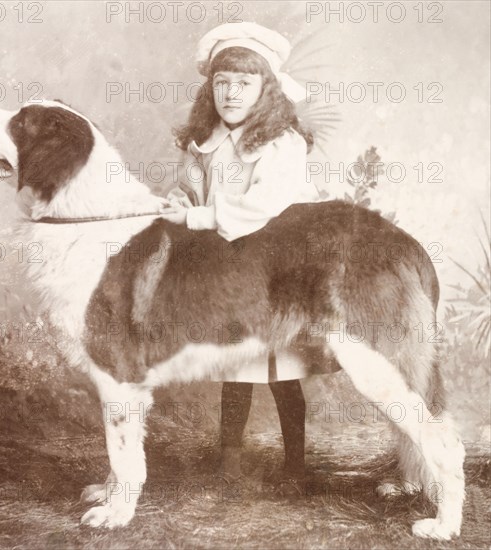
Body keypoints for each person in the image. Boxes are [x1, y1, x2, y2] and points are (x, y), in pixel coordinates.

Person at [161, 22, 325, 484]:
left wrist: (197, 218)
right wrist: (182, 205)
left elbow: (265, 206)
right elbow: (192, 194)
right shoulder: (203, 143)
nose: (231, 94)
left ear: (265, 89)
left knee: (282, 372)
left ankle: (295, 468)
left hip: (279, 270)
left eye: (244, 83)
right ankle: (229, 464)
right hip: (228, 273)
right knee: (236, 368)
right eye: (222, 82)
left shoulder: (282, 145)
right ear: (210, 87)